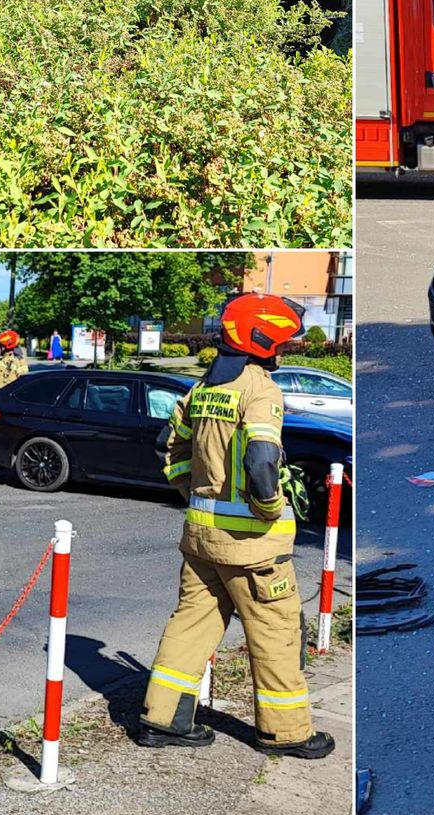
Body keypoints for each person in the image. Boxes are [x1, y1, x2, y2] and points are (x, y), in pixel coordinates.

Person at [137, 293, 334, 760]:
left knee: (190, 627)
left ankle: (160, 721)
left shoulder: (202, 389)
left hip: (200, 540)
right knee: (275, 633)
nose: (283, 352)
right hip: (253, 551)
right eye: (281, 344)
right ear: (261, 338)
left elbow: (168, 446)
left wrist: (192, 493)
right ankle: (287, 733)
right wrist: (269, 509)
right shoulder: (259, 390)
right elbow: (263, 460)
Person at [0, 329, 29, 394]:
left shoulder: (18, 361)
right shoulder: (2, 359)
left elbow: (24, 383)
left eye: (0, 344)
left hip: (7, 397)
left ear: (4, 347)